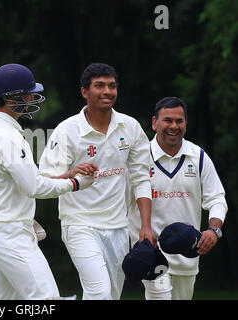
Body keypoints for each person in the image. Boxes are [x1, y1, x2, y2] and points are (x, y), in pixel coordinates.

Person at [0, 63, 99, 300]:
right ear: (12, 98)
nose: (33, 97)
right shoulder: (8, 136)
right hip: (10, 235)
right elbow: (33, 187)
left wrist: (66, 175)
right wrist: (77, 184)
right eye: (28, 93)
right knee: (47, 300)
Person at [38, 63, 156, 300]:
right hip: (80, 225)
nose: (107, 91)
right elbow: (44, 180)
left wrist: (145, 226)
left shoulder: (130, 126)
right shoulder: (67, 130)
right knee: (99, 293)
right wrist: (72, 173)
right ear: (84, 92)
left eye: (112, 86)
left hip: (118, 227)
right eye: (99, 86)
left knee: (111, 295)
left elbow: (142, 178)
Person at [127, 96, 228, 300]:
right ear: (154, 123)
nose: (174, 126)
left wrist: (214, 230)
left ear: (186, 124)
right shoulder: (138, 158)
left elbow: (217, 198)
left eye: (179, 121)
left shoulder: (198, 157)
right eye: (167, 120)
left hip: (189, 253)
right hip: (152, 255)